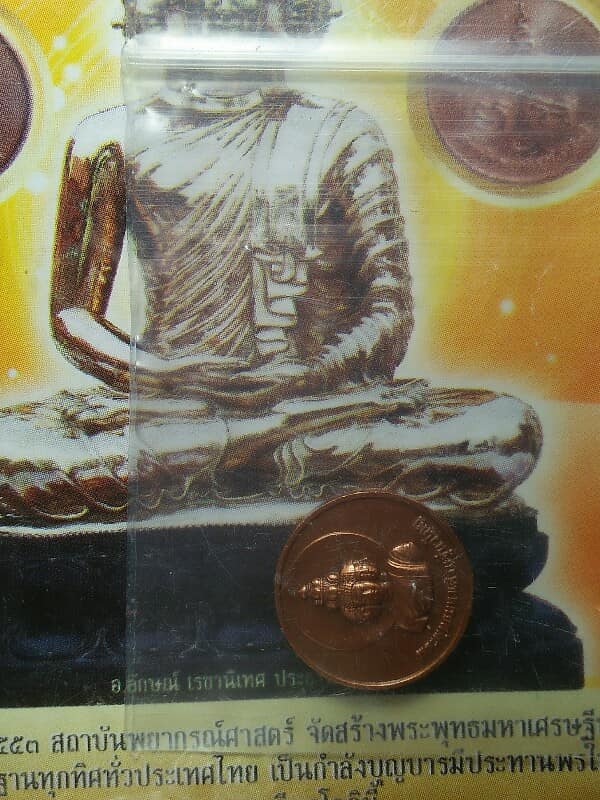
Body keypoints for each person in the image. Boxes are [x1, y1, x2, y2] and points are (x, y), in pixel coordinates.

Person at [0, 0, 541, 523]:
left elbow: (388, 313)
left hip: (309, 407)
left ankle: (226, 455)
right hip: (173, 409)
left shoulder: (341, 134)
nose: (225, 14)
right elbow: (72, 316)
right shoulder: (108, 140)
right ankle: (247, 456)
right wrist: (162, 375)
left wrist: (304, 378)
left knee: (502, 432)